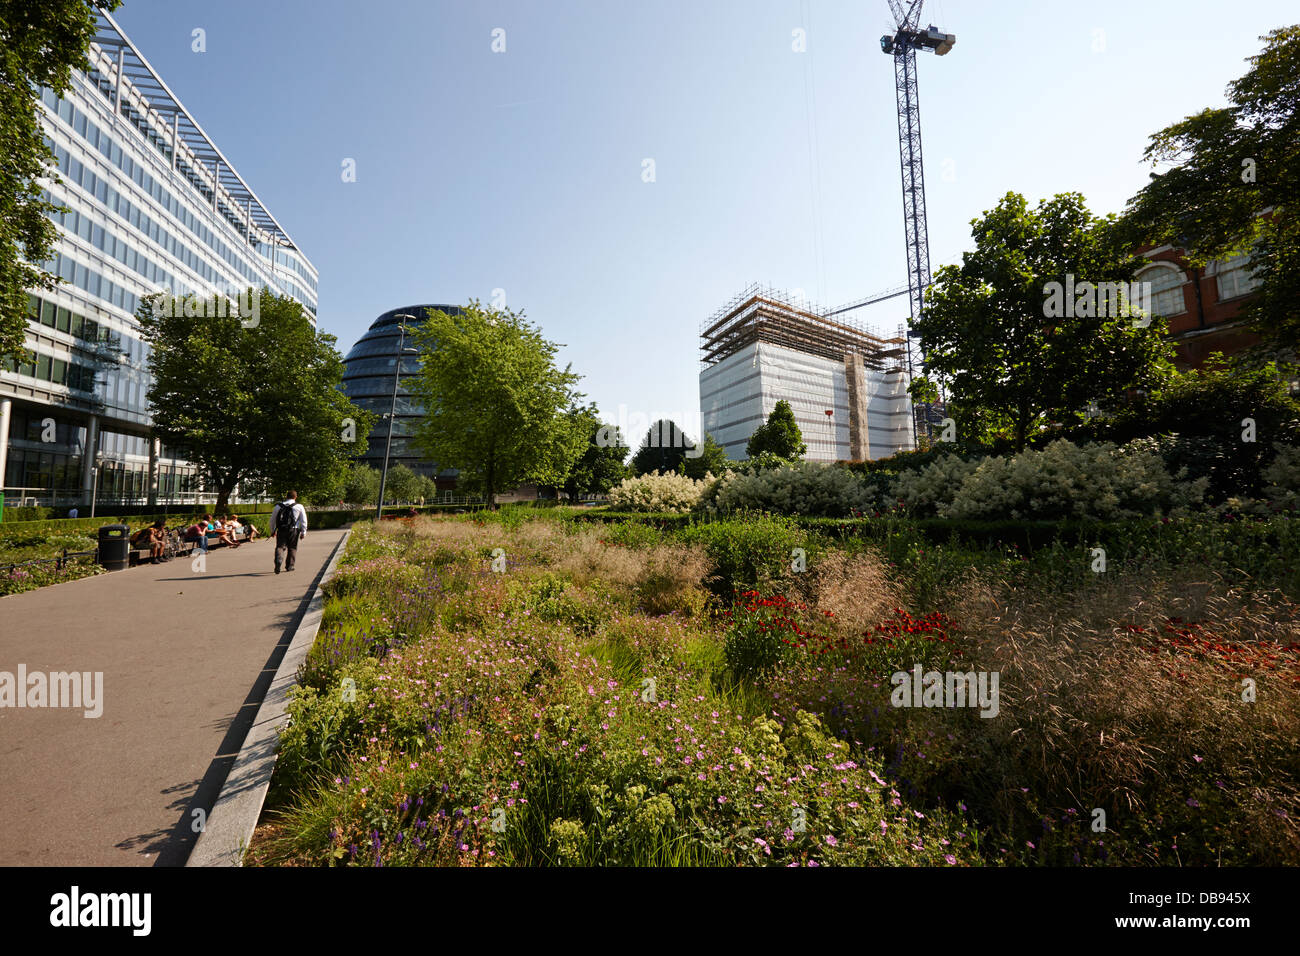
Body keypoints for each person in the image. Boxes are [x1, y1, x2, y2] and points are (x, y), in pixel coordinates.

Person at [269, 490, 307, 574]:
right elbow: (303, 520)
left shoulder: (278, 506)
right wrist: (303, 532)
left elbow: (272, 520)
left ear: (286, 496)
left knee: (280, 547)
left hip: (281, 529)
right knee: (292, 547)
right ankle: (290, 566)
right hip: (294, 529)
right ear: (295, 497)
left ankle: (278, 560)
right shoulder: (299, 506)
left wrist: (272, 530)